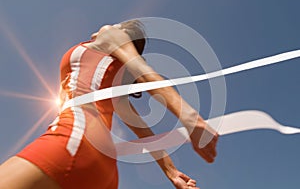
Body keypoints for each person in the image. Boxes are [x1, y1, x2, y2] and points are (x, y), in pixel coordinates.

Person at [0, 19, 218, 189]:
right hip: (104, 171)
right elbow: (143, 130)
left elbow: (141, 71)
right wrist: (172, 172)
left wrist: (190, 117)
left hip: (71, 143)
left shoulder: (110, 34)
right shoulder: (113, 87)